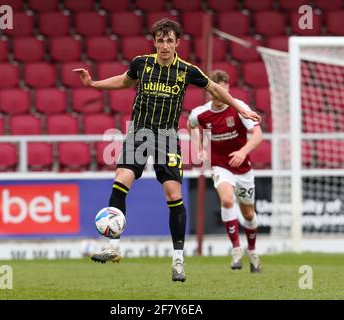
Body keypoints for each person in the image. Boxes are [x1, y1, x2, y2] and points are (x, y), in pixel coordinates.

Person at [73, 19, 261, 282]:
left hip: (167, 137)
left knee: (173, 195)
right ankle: (113, 247)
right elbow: (124, 82)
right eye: (160, 40)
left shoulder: (186, 70)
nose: (164, 45)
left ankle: (178, 260)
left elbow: (215, 88)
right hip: (139, 133)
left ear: (177, 43)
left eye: (169, 40)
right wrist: (93, 84)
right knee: (120, 181)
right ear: (155, 42)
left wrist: (241, 108)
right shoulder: (142, 63)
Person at [187, 69, 263, 273]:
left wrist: (243, 151)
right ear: (209, 91)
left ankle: (253, 252)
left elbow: (258, 134)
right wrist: (199, 148)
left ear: (228, 89)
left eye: (222, 91)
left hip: (243, 168)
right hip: (221, 166)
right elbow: (191, 125)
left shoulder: (239, 109)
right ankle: (236, 249)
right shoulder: (201, 113)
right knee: (227, 200)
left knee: (248, 214)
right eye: (214, 92)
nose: (217, 96)